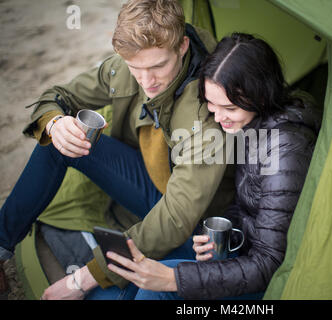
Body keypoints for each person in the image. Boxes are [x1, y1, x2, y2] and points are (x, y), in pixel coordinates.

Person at [0, 0, 236, 299]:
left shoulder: (206, 111)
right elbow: (57, 96)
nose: (147, 81)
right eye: (136, 67)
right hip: (152, 181)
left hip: (196, 226)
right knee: (59, 141)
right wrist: (55, 124)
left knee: (118, 292)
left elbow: (177, 219)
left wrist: (85, 277)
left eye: (158, 66)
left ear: (182, 46)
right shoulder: (126, 67)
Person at [103, 33, 322, 299]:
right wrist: (223, 231)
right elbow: (249, 205)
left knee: (155, 289)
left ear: (260, 96)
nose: (217, 117)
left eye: (228, 107)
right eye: (210, 104)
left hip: (271, 283)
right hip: (239, 255)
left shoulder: (283, 151)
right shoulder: (248, 124)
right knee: (140, 269)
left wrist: (175, 279)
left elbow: (270, 263)